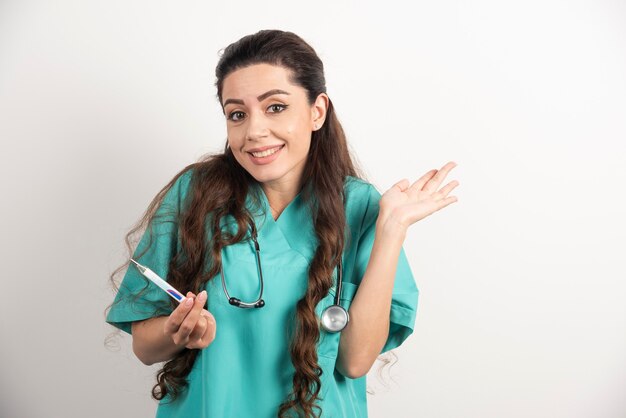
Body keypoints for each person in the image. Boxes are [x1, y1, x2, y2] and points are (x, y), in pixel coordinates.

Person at [105, 29, 459, 418]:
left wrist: (391, 230)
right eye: (237, 114)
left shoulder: (359, 206)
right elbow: (144, 347)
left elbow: (355, 362)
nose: (254, 131)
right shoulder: (194, 194)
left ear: (316, 111)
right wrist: (178, 331)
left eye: (275, 107)